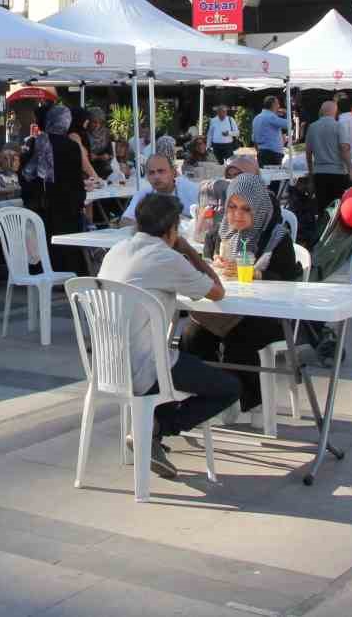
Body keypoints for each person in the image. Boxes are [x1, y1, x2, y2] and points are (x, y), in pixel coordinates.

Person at [95, 192, 235, 480]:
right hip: (145, 369)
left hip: (106, 365)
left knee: (183, 359)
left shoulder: (117, 250)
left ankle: (150, 432)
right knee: (229, 387)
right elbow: (217, 291)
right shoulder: (166, 257)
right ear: (172, 230)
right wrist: (187, 250)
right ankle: (155, 428)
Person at [180, 173, 300, 423]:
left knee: (239, 341)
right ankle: (214, 397)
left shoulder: (276, 237)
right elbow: (207, 268)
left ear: (259, 208)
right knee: (193, 336)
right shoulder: (219, 234)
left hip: (267, 312)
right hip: (224, 307)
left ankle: (253, 401)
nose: (237, 215)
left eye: (246, 209)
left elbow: (289, 282)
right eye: (232, 207)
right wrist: (214, 266)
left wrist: (255, 272)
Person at [23, 105, 90, 280]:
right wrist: (80, 200)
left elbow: (28, 174)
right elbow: (76, 178)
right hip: (67, 203)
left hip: (43, 203)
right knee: (68, 242)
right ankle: (68, 274)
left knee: (46, 240)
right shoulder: (71, 145)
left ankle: (45, 272)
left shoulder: (36, 142)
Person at [305, 98, 352, 220]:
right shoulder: (339, 126)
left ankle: (321, 234)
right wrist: (351, 169)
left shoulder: (312, 127)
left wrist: (310, 177)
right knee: (337, 209)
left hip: (319, 172)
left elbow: (308, 154)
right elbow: (344, 149)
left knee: (322, 208)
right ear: (335, 112)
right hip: (337, 172)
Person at [121, 153, 200, 224]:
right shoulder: (144, 193)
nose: (156, 177)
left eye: (161, 171)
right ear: (147, 177)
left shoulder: (190, 189)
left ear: (173, 172)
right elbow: (125, 221)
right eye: (151, 173)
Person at [250, 97, 288, 167]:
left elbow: (254, 138)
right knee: (274, 176)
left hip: (261, 152)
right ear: (273, 104)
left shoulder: (256, 118)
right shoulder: (271, 117)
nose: (279, 106)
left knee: (264, 175)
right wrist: (286, 114)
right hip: (272, 154)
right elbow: (288, 124)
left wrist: (258, 152)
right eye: (277, 104)